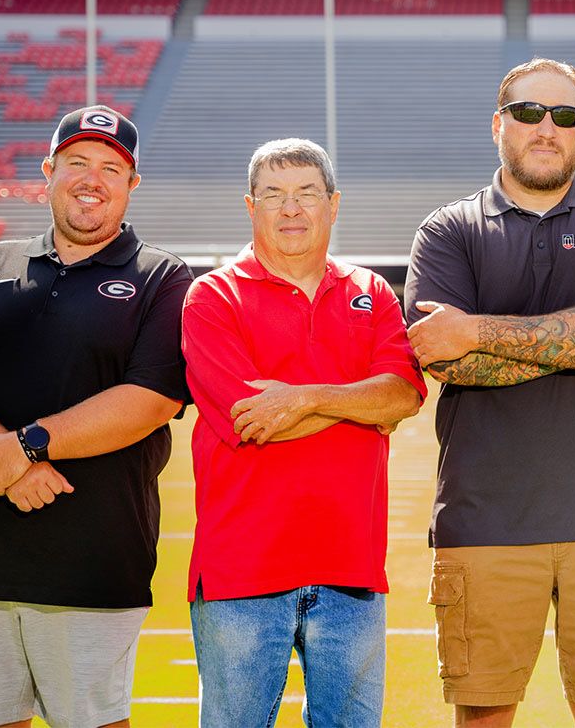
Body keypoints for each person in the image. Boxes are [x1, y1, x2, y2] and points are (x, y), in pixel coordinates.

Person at [403, 58, 575, 727]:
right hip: (485, 519)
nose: (546, 128)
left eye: (566, 115)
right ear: (499, 124)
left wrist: (479, 330)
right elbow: (449, 363)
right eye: (528, 112)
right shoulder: (447, 230)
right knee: (485, 714)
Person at [0, 105, 191, 728]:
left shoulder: (161, 276)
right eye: (77, 162)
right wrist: (5, 459)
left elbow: (151, 398)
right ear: (48, 171)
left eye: (110, 167)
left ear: (131, 184)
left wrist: (32, 443)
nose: (91, 178)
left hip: (94, 562)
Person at [181, 138, 426, 728]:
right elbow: (251, 419)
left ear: (334, 204)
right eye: (274, 195)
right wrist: (359, 407)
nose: (291, 209)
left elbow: (404, 393)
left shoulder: (371, 292)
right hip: (243, 572)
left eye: (307, 194)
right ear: (250, 207)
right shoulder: (212, 297)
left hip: (352, 569)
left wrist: (303, 397)